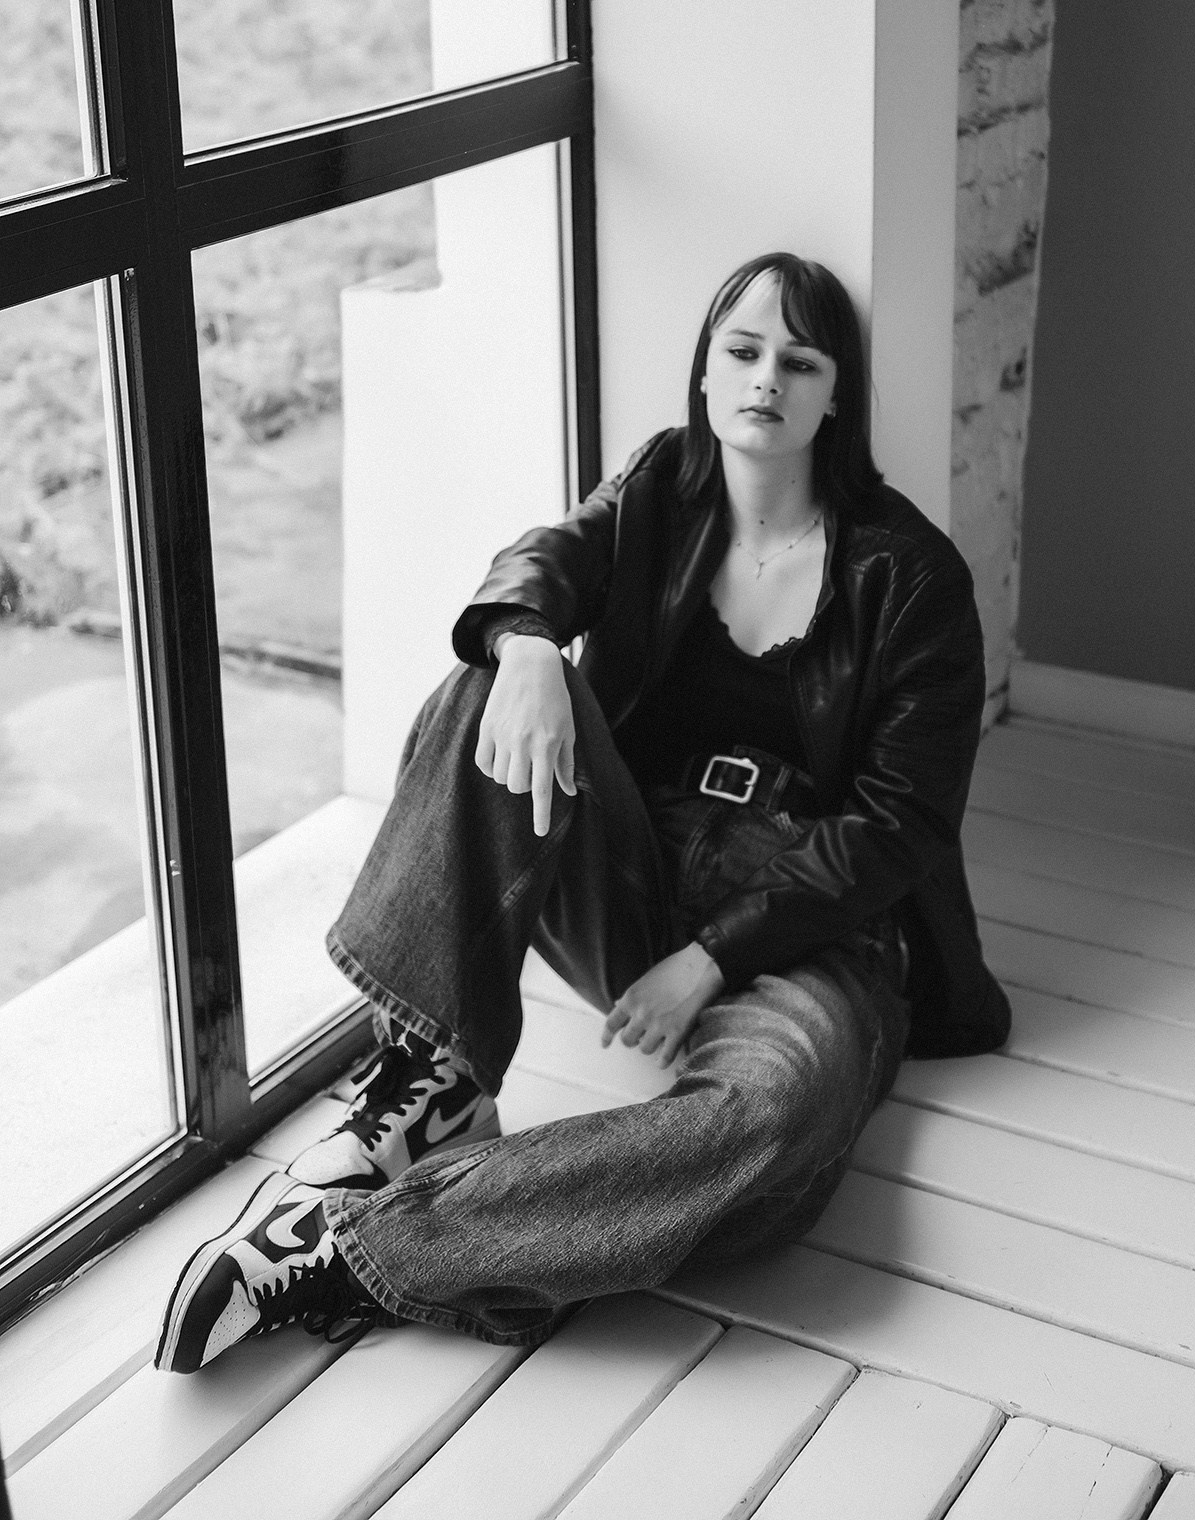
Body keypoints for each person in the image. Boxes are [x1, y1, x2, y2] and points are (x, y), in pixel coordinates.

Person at [155, 252, 1010, 1375]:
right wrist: (525, 647)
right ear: (705, 370)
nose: (766, 378)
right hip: (641, 869)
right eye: (742, 350)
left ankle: (350, 1253)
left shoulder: (912, 576)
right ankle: (433, 1082)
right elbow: (543, 560)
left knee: (770, 1129)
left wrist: (711, 959)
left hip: (815, 925)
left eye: (800, 361)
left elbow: (900, 826)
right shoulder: (661, 488)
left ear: (836, 394)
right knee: (486, 690)